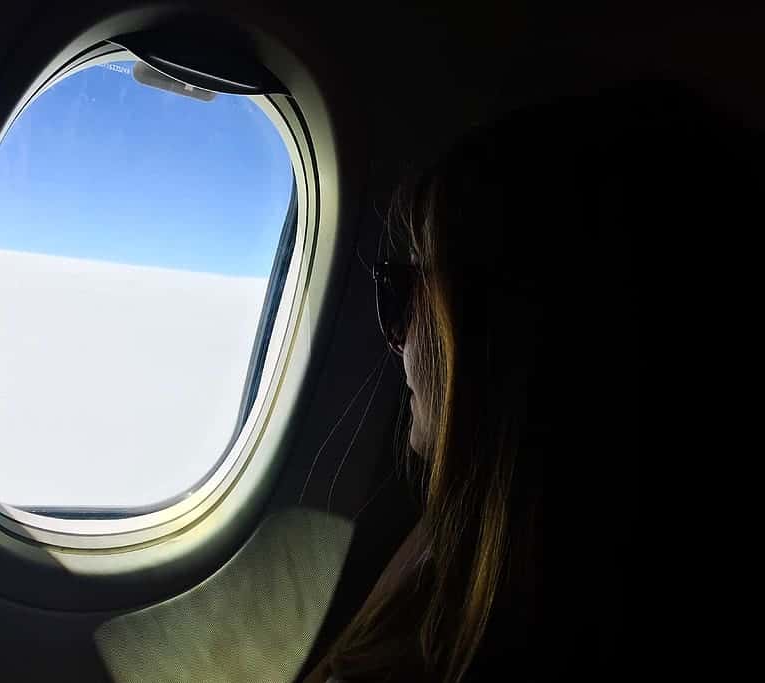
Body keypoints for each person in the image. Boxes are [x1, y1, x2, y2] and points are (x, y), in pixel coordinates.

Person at [302, 79, 752, 682]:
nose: (396, 335)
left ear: (513, 347)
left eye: (411, 292)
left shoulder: (492, 605)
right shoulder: (462, 541)